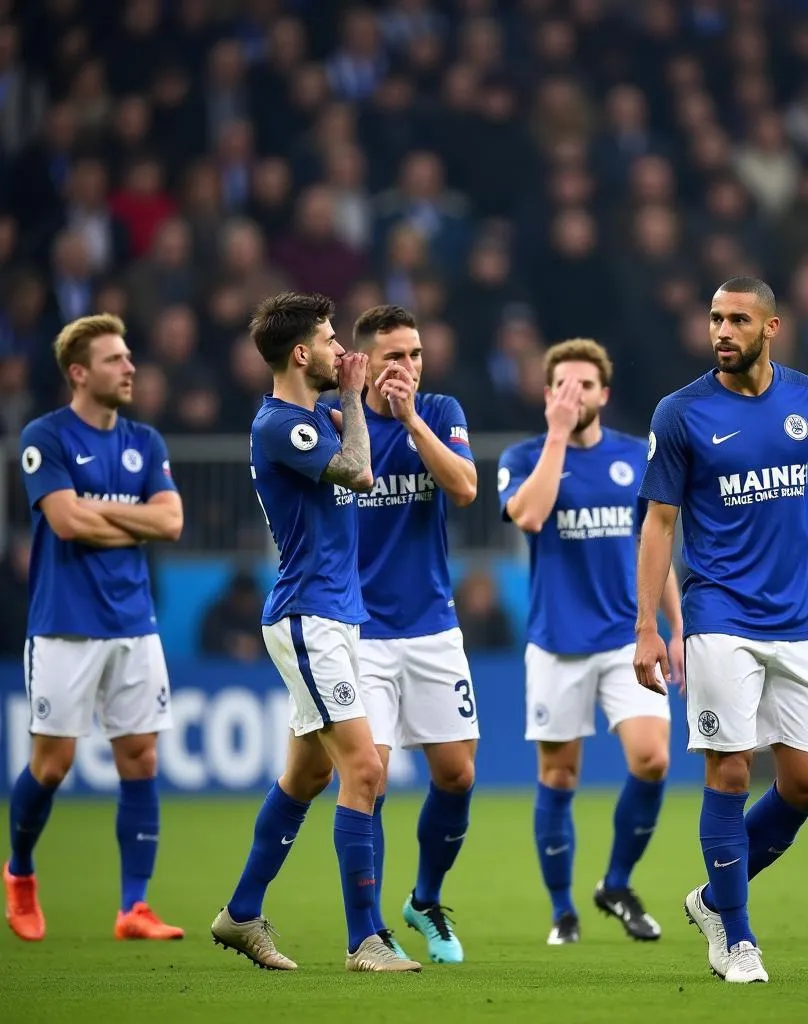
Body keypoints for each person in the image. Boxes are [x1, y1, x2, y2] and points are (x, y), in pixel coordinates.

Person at [633, 276, 808, 984]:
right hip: (716, 615)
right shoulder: (680, 414)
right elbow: (660, 523)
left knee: (806, 785)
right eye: (714, 318)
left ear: (772, 328)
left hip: (797, 620)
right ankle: (737, 939)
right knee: (730, 767)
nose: (722, 331)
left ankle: (710, 899)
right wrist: (647, 624)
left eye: (737, 319)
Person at [210, 291, 420, 974]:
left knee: (307, 775)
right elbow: (361, 473)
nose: (342, 351)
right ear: (301, 354)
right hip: (308, 617)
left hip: (333, 613)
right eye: (331, 339)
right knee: (366, 768)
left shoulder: (306, 419)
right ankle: (366, 940)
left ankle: (241, 914)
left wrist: (344, 408)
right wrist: (356, 398)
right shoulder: (280, 425)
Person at [497, 338, 684, 946]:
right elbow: (528, 516)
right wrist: (556, 436)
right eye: (561, 386)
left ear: (605, 393)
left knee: (653, 758)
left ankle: (617, 883)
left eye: (583, 386)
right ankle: (562, 912)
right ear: (548, 393)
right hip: (556, 642)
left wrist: (673, 627)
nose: (572, 395)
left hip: (626, 639)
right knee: (558, 776)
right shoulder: (525, 455)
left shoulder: (637, 456)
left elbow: (652, 547)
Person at [5, 313, 184, 943]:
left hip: (135, 623)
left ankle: (134, 907)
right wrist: (128, 517)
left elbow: (171, 524)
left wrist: (97, 510)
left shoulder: (146, 441)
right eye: (115, 360)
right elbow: (63, 523)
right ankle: (21, 872)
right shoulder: (44, 436)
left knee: (140, 758)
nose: (130, 367)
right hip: (66, 626)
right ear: (79, 373)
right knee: (52, 766)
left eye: (129, 357)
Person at [350, 304, 479, 964]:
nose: (408, 367)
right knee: (368, 776)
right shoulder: (337, 421)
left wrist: (411, 421)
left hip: (432, 625)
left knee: (457, 775)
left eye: (416, 355)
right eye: (395, 355)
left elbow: (464, 488)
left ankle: (424, 899)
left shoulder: (441, 412)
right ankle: (370, 930)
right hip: (360, 632)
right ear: (365, 360)